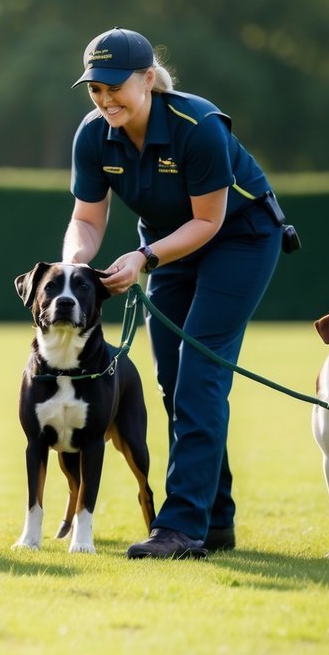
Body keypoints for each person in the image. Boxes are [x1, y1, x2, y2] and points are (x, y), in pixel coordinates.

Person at [61, 27, 285, 559]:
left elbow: (209, 220)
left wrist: (144, 258)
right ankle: (216, 520)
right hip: (166, 246)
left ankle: (181, 527)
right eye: (95, 87)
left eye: (115, 85)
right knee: (171, 379)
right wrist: (75, 263)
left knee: (200, 376)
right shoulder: (93, 135)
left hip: (239, 238)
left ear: (147, 80)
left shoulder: (198, 124)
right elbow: (85, 220)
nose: (105, 98)